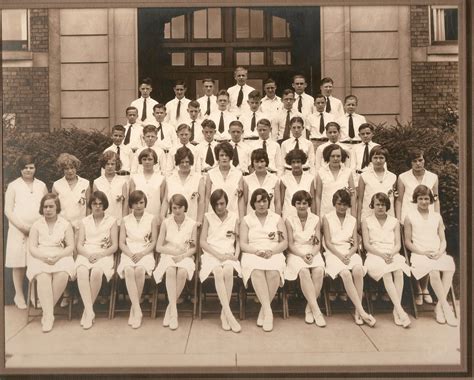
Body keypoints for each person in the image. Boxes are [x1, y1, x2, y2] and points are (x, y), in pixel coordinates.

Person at [403, 185, 457, 326]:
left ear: (431, 200)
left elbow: (443, 239)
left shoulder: (436, 216)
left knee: (450, 265)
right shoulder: (410, 217)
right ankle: (446, 308)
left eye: (426, 198)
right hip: (419, 254)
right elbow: (407, 242)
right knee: (433, 271)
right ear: (416, 200)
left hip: (436, 252)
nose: (424, 202)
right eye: (420, 198)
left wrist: (440, 252)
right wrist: (422, 253)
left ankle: (439, 307)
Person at [322, 189, 376, 327]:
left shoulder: (352, 220)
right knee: (345, 273)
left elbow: (355, 243)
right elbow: (327, 242)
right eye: (339, 203)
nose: (342, 207)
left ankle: (358, 312)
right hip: (333, 253)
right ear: (335, 203)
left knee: (358, 270)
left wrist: (349, 254)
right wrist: (340, 256)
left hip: (349, 252)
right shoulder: (327, 218)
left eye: (345, 204)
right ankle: (362, 311)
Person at [395, 148, 440, 306]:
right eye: (414, 161)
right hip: (409, 219)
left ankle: (425, 287)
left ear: (424, 160)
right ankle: (416, 289)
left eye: (420, 160)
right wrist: (399, 219)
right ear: (410, 163)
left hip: (427, 219)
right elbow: (399, 200)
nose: (418, 163)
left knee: (428, 249)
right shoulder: (403, 177)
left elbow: (436, 199)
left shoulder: (433, 177)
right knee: (413, 253)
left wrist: (437, 218)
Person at [240, 188, 288, 332]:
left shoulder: (277, 218)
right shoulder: (247, 220)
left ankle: (264, 311)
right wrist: (256, 251)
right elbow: (243, 244)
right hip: (253, 253)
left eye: (264, 201)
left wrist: (272, 251)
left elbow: (284, 242)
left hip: (273, 252)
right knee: (256, 271)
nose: (262, 204)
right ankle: (269, 312)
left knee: (273, 272)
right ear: (253, 203)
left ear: (269, 202)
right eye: (258, 201)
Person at [361, 193, 411, 327]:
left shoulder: (394, 221)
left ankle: (396, 310)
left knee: (399, 271)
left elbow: (398, 245)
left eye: (383, 204)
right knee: (387, 272)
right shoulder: (366, 221)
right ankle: (401, 311)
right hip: (374, 255)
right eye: (377, 204)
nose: (380, 207)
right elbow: (366, 245)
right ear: (373, 205)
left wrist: (390, 254)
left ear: (387, 206)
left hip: (392, 253)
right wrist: (382, 255)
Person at [27, 193, 76, 332]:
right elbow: (32, 247)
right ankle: (49, 316)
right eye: (45, 207)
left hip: (61, 255)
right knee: (42, 276)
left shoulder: (65, 224)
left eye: (51, 206)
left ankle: (46, 312)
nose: (48, 209)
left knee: (63, 274)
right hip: (40, 255)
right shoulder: (36, 225)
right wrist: (42, 257)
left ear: (57, 207)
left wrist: (58, 257)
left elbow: (70, 246)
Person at [5, 155, 47, 309]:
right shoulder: (13, 186)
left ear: (35, 168)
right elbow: (8, 210)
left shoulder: (41, 185)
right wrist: (22, 227)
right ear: (20, 169)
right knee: (19, 263)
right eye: (25, 167)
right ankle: (19, 295)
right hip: (18, 230)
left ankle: (34, 295)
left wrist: (37, 228)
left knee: (34, 262)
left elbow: (46, 207)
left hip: (36, 230)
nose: (29, 170)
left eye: (31, 167)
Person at [199, 189, 242, 333]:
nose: (219, 207)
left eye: (222, 203)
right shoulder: (207, 217)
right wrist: (217, 254)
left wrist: (235, 255)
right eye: (216, 204)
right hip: (211, 254)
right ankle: (229, 315)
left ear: (226, 203)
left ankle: (224, 314)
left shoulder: (234, 217)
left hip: (228, 254)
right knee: (218, 272)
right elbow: (203, 242)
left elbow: (238, 240)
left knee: (228, 270)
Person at [154, 194, 198, 330]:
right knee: (170, 270)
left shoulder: (192, 224)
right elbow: (159, 247)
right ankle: (174, 314)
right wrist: (174, 254)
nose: (177, 211)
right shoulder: (166, 223)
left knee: (183, 271)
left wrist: (183, 255)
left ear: (185, 207)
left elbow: (194, 247)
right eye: (174, 208)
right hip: (169, 255)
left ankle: (170, 310)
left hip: (186, 256)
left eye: (180, 207)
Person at [75, 191, 118, 329]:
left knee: (96, 272)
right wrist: (88, 255)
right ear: (90, 205)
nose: (98, 206)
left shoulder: (111, 221)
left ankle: (87, 312)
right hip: (86, 252)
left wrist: (100, 255)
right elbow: (79, 245)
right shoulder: (84, 221)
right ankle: (89, 311)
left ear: (104, 205)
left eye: (100, 204)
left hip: (104, 254)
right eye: (94, 204)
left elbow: (115, 245)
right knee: (81, 270)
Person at [117, 190, 158, 329]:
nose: (139, 206)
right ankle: (137, 309)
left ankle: (134, 310)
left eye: (141, 202)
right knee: (129, 270)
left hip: (145, 252)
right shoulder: (125, 220)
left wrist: (142, 253)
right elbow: (121, 242)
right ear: (131, 205)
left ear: (145, 203)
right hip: (128, 252)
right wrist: (129, 253)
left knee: (140, 270)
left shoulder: (152, 218)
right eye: (135, 203)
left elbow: (153, 242)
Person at [284, 190, 326, 327]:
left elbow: (318, 242)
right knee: (303, 271)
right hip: (296, 253)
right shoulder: (289, 220)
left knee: (319, 270)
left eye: (304, 203)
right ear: (294, 204)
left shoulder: (315, 219)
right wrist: (302, 255)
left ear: (308, 204)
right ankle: (317, 311)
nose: (301, 206)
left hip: (312, 251)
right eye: (298, 203)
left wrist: (312, 254)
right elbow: (289, 244)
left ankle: (309, 308)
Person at [162, 147, 205, 224]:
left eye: (187, 162)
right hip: (172, 222)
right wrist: (162, 216)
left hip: (192, 222)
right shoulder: (170, 179)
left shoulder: (199, 179)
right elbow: (166, 200)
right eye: (182, 162)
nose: (185, 164)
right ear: (178, 162)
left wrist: (199, 221)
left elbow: (201, 202)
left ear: (191, 162)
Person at [357, 146, 397, 225]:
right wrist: (358, 220)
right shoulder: (364, 176)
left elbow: (394, 200)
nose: (378, 161)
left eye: (381, 158)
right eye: (375, 158)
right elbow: (360, 200)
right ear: (371, 159)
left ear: (386, 159)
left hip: (388, 217)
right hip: (368, 216)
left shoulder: (393, 177)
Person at [52, 153, 90, 233]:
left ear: (76, 168)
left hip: (81, 227)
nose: (70, 171)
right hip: (62, 227)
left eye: (72, 168)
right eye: (66, 168)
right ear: (62, 170)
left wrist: (87, 225)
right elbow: (54, 208)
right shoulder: (57, 185)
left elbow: (88, 208)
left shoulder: (85, 184)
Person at [205, 142, 244, 218]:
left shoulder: (238, 174)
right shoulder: (210, 174)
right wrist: (206, 217)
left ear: (230, 157)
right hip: (214, 216)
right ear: (217, 157)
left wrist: (241, 219)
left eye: (227, 155)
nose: (224, 158)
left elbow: (240, 200)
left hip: (233, 216)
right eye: (221, 155)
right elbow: (207, 198)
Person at [315, 144, 355, 219]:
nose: (335, 158)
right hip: (326, 213)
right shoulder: (321, 172)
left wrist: (353, 216)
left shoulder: (348, 172)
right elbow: (318, 197)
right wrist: (318, 216)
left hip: (345, 214)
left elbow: (353, 195)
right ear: (328, 157)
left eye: (338, 156)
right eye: (332, 156)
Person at [93, 151, 128, 225]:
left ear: (117, 165)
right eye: (107, 164)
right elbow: (94, 204)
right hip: (102, 221)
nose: (110, 166)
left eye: (112, 164)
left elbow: (125, 204)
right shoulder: (97, 182)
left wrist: (123, 221)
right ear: (103, 165)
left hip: (118, 221)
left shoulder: (123, 182)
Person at [129, 148, 166, 220]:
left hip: (155, 217)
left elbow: (163, 201)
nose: (147, 162)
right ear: (140, 161)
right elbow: (131, 201)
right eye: (144, 159)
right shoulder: (134, 178)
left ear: (155, 161)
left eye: (150, 159)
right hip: (138, 218)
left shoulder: (161, 179)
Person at [243, 149, 281, 215]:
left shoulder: (274, 179)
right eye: (256, 162)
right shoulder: (246, 180)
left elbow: (277, 202)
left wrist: (277, 220)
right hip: (252, 218)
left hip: (270, 218)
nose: (259, 165)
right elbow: (245, 203)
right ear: (252, 163)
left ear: (266, 162)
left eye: (262, 161)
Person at [280, 149, 315, 219]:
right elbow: (281, 201)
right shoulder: (283, 179)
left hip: (306, 216)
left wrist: (314, 217)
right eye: (293, 162)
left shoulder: (310, 178)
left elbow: (313, 200)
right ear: (290, 163)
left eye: (298, 162)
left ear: (302, 162)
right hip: (288, 216)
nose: (296, 165)